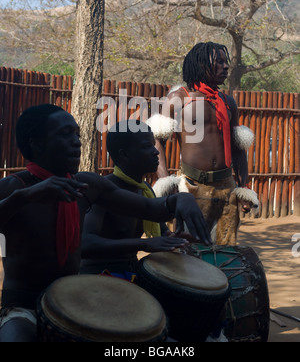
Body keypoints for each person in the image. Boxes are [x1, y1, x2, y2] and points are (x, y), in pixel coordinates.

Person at [0, 104, 211, 342]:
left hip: (75, 297)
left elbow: (151, 209)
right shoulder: (14, 187)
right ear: (36, 143)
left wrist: (180, 199)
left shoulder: (87, 185)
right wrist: (24, 198)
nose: (76, 142)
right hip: (23, 305)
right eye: (65, 134)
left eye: (77, 134)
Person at [147, 42, 259, 246]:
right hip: (191, 189)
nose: (225, 67)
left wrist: (244, 188)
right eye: (219, 62)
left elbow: (238, 149)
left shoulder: (227, 102)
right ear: (201, 64)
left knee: (225, 251)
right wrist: (166, 182)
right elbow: (156, 140)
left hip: (226, 189)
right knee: (189, 253)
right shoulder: (179, 98)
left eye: (226, 62)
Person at [80, 120, 187, 280]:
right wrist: (143, 244)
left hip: (131, 272)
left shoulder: (145, 189)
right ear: (124, 154)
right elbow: (85, 243)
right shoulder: (104, 191)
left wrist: (177, 238)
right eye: (146, 147)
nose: (156, 152)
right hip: (98, 277)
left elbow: (162, 232)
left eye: (153, 145)